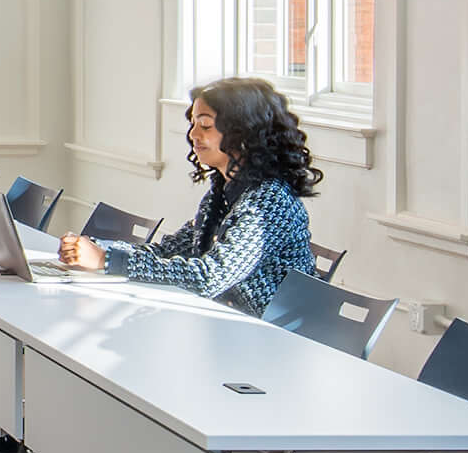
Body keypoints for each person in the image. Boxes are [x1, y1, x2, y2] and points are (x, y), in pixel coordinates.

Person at [59, 75, 321, 314]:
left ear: (244, 133)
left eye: (205, 125)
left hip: (268, 342)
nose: (193, 134)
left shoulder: (269, 202)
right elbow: (169, 252)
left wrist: (107, 260)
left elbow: (209, 277)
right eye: (193, 123)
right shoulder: (220, 195)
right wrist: (97, 249)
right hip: (222, 324)